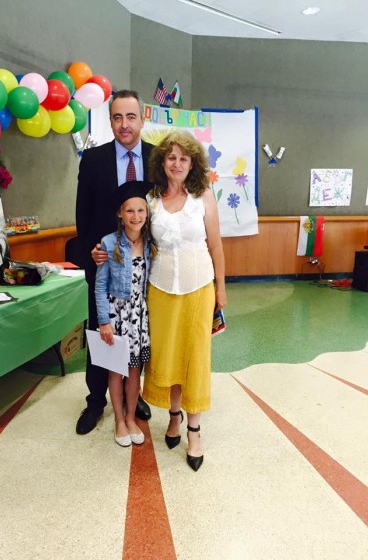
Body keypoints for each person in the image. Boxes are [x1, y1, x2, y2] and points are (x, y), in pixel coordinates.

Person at [142, 130, 227, 471]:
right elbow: (138, 242)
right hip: (160, 289)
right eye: (171, 157)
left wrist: (221, 288)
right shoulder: (151, 199)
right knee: (169, 355)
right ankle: (173, 415)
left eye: (183, 158)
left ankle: (194, 431)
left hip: (198, 287)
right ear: (162, 162)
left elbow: (216, 245)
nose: (176, 164)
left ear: (193, 164)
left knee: (195, 358)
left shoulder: (203, 196)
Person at [75, 90, 153, 435]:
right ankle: (96, 401)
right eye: (117, 117)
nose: (124, 124)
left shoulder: (156, 158)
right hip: (104, 265)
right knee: (101, 334)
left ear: (142, 119)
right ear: (110, 121)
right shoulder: (93, 160)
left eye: (131, 117)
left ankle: (135, 398)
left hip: (143, 269)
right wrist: (90, 253)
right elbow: (83, 215)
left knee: (139, 337)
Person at [95, 180, 156, 446]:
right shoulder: (109, 243)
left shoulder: (151, 243)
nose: (136, 216)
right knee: (115, 372)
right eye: (129, 210)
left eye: (141, 210)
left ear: (147, 213)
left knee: (134, 371)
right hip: (116, 316)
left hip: (139, 317)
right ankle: (119, 420)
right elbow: (100, 286)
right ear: (120, 213)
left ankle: (131, 417)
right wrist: (104, 321)